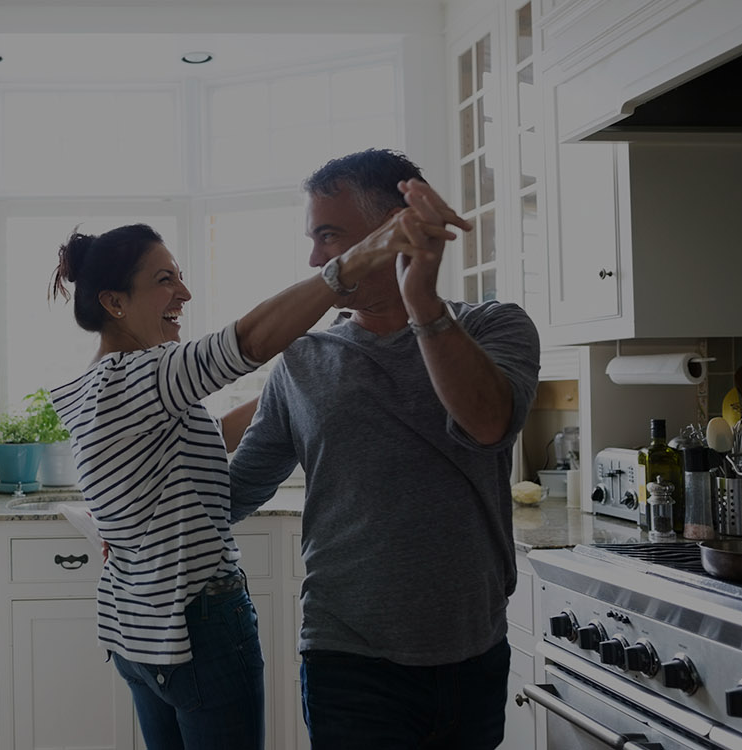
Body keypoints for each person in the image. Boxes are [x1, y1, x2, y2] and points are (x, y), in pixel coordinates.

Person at [46, 179, 468, 750]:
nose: (185, 293)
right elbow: (245, 342)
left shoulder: (97, 388)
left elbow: (205, 439)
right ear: (114, 303)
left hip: (138, 630)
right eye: (165, 279)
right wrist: (358, 258)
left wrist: (299, 381)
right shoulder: (145, 374)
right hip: (196, 623)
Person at [227, 148, 542, 749]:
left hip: (473, 649)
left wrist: (421, 298)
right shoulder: (303, 358)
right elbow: (237, 489)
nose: (317, 258)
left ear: (390, 233)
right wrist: (139, 521)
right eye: (313, 237)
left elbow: (487, 423)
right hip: (349, 656)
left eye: (329, 236)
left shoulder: (495, 326)